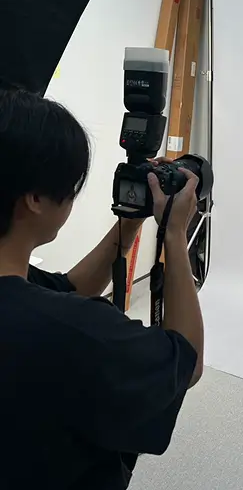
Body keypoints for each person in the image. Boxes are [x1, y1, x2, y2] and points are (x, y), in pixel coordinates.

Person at [0, 87, 205, 489]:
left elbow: (65, 289)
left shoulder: (27, 298)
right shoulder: (73, 331)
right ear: (37, 198)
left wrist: (131, 219)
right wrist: (175, 236)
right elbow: (185, 362)